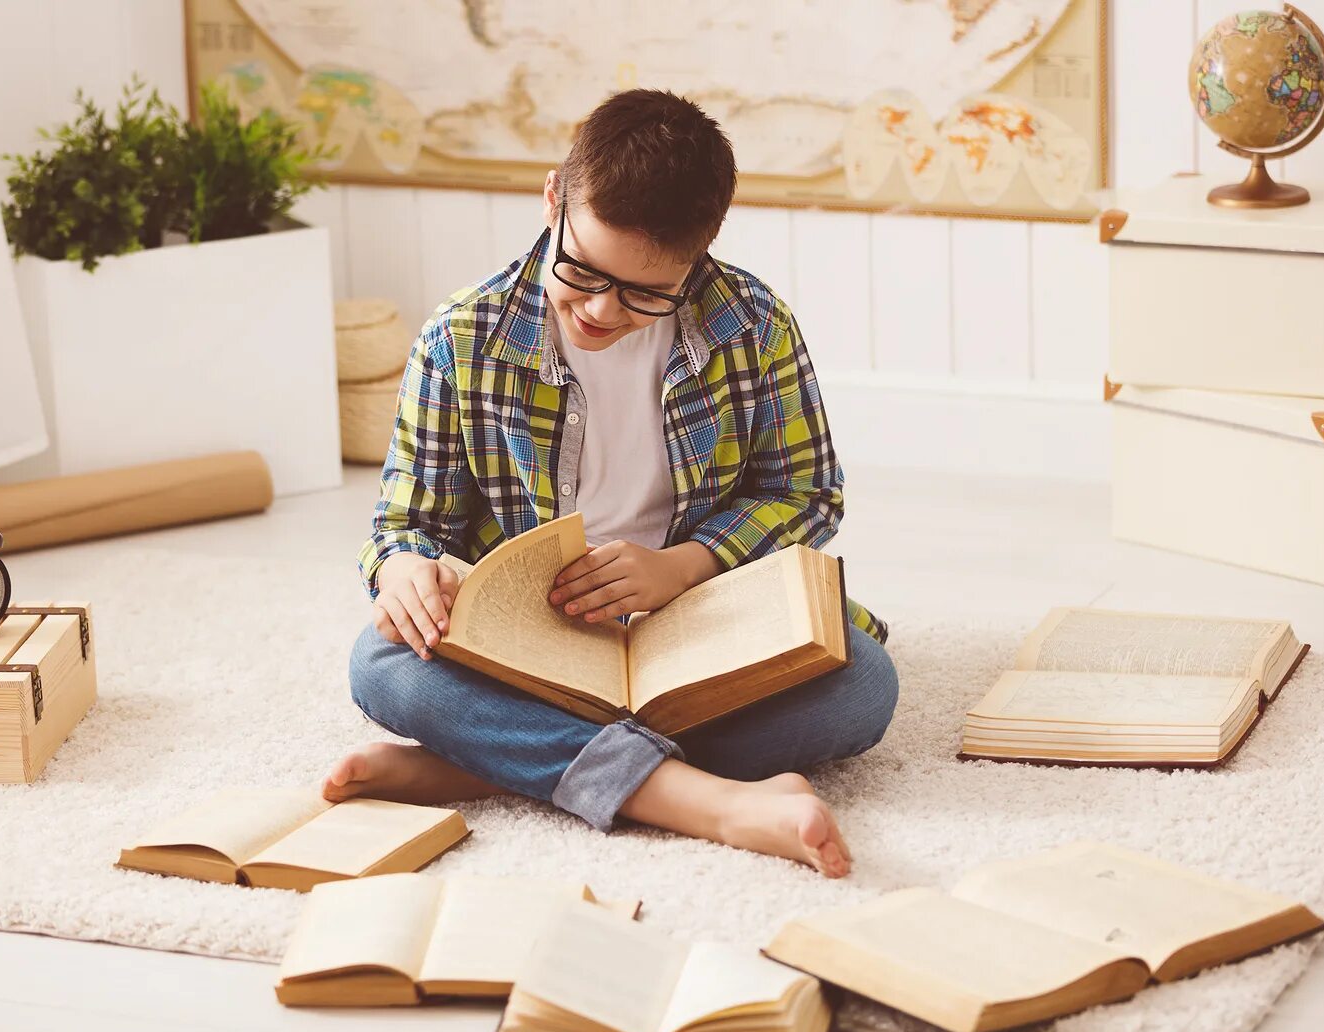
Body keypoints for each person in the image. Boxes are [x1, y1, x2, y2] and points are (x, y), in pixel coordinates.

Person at [326, 89, 898, 878]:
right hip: (533, 643)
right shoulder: (461, 336)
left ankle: (485, 764)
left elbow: (809, 494)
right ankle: (711, 801)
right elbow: (405, 524)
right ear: (554, 197)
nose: (599, 308)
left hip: (700, 625)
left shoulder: (756, 325)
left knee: (863, 683)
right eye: (582, 270)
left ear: (697, 255)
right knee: (380, 663)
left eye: (644, 292)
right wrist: (403, 571)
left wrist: (684, 565)